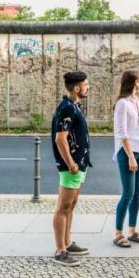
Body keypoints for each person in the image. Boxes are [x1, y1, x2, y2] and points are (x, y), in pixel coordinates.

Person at [51, 71, 92, 266]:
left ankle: (67, 242)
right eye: (86, 85)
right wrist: (71, 164)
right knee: (63, 207)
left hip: (79, 165)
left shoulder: (74, 106)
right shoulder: (67, 108)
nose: (88, 87)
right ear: (77, 88)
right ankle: (60, 251)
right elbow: (60, 139)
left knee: (71, 205)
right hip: (71, 167)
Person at [112, 70, 139, 248]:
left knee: (136, 194)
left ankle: (132, 231)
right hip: (127, 153)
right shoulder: (122, 104)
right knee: (127, 194)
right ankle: (118, 233)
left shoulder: (136, 101)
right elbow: (122, 132)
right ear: (134, 82)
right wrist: (130, 157)